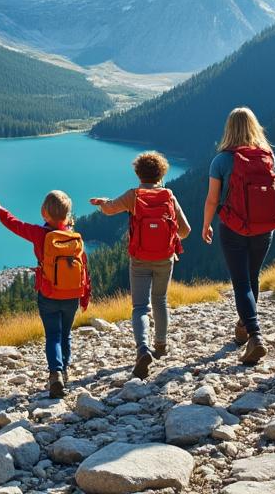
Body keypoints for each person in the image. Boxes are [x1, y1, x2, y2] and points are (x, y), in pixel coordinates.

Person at [90, 151, 191, 379]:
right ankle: (161, 345)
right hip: (165, 258)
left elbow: (109, 209)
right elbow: (185, 231)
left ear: (138, 173)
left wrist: (101, 203)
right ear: (162, 172)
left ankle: (142, 348)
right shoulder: (169, 196)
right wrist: (168, 236)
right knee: (160, 300)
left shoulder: (133, 196)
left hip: (139, 259)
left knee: (140, 307)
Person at [201, 107, 275, 365]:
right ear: (255, 127)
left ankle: (255, 335)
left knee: (241, 282)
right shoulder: (268, 156)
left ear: (229, 129)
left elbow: (213, 199)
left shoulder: (222, 160)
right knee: (252, 277)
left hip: (234, 227)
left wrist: (206, 225)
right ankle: (243, 326)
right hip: (264, 227)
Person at [0, 191, 91, 398]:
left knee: (53, 334)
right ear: (68, 215)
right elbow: (84, 268)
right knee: (65, 334)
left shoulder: (40, 234)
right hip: (72, 294)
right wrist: (84, 295)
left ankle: (55, 375)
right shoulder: (74, 237)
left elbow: (15, 224)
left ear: (44, 213)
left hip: (49, 294)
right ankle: (64, 371)